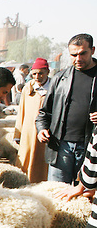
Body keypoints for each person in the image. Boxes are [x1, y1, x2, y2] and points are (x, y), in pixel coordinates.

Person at [37, 33, 97, 184]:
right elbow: (44, 112)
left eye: (83, 53)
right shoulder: (60, 78)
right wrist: (42, 129)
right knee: (57, 195)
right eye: (74, 55)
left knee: (85, 195)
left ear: (93, 50)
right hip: (60, 147)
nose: (78, 58)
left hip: (91, 147)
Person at [14, 57, 50, 183]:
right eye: (34, 74)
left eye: (40, 73)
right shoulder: (28, 89)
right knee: (26, 160)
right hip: (28, 132)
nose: (37, 76)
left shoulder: (53, 88)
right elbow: (21, 111)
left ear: (47, 72)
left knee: (42, 163)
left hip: (45, 132)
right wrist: (17, 134)